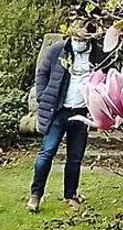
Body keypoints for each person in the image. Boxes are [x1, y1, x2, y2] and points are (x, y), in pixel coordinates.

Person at [28, 22, 111, 212]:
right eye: (75, 38)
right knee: (46, 153)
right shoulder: (58, 50)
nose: (78, 42)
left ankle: (70, 194)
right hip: (58, 111)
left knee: (75, 157)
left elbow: (105, 79)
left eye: (83, 39)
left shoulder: (99, 55)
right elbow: (42, 72)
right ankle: (36, 195)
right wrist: (42, 96)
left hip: (81, 112)